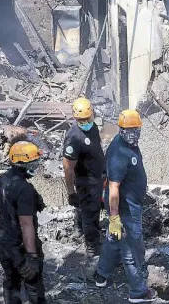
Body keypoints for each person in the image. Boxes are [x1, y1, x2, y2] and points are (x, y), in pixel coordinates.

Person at [94, 110, 157, 303]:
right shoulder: (118, 152)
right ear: (121, 129)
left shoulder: (130, 144)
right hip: (124, 208)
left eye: (136, 129)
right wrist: (114, 218)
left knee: (114, 240)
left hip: (130, 204)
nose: (133, 133)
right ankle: (138, 292)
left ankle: (101, 276)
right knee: (131, 247)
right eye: (129, 130)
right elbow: (113, 188)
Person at [0, 141, 47, 304]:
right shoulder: (25, 189)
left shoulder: (3, 179)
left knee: (11, 281)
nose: (36, 166)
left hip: (3, 242)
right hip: (19, 245)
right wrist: (31, 255)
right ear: (23, 164)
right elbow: (26, 224)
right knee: (33, 283)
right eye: (33, 163)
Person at [62, 97, 105, 257]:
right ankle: (92, 247)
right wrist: (71, 192)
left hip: (96, 177)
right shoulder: (74, 137)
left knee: (88, 210)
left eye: (88, 118)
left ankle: (80, 229)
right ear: (75, 118)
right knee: (91, 213)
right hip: (86, 182)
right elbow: (68, 168)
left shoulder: (92, 127)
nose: (86, 121)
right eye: (82, 120)